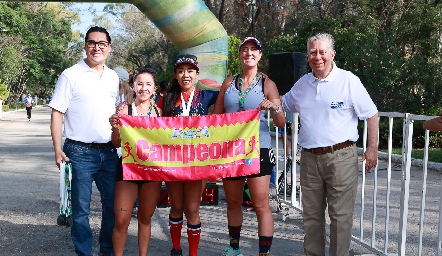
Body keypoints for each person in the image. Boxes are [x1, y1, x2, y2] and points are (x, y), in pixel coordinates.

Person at [281, 32, 379, 256]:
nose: (318, 57)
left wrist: (372, 149)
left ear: (332, 54)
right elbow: (282, 104)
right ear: (308, 56)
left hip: (341, 157)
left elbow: (371, 115)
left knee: (340, 218)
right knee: (312, 217)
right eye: (313, 52)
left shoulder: (348, 80)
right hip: (309, 159)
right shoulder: (303, 83)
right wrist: (263, 89)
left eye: (322, 52)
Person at [49, 26, 120, 256]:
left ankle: (106, 251)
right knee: (80, 211)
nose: (96, 47)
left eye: (102, 44)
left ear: (108, 48)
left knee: (112, 207)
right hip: (78, 153)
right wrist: (57, 149)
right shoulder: (71, 74)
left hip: (109, 153)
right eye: (92, 43)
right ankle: (84, 252)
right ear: (85, 46)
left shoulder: (113, 77)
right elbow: (57, 113)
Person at [212, 37, 286, 256]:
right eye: (245, 50)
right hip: (231, 149)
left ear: (260, 55)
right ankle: (234, 248)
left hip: (259, 149)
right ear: (240, 55)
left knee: (261, 204)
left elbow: (281, 123)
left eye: (254, 49)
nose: (249, 53)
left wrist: (274, 108)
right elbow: (216, 117)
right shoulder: (228, 83)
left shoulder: (267, 84)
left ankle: (264, 253)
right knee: (233, 202)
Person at [158, 54, 219, 256]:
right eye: (181, 71)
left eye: (190, 70)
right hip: (174, 161)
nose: (186, 75)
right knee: (176, 206)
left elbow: (229, 93)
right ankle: (176, 248)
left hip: (197, 161)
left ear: (197, 74)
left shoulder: (206, 96)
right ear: (175, 74)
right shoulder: (166, 98)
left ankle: (193, 253)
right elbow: (152, 124)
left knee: (192, 209)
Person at [109, 67, 162, 256]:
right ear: (133, 86)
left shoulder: (159, 112)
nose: (144, 88)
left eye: (148, 84)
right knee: (122, 219)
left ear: (154, 88)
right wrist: (115, 128)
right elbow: (116, 142)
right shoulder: (124, 110)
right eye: (140, 84)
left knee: (145, 218)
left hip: (152, 171)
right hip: (127, 168)